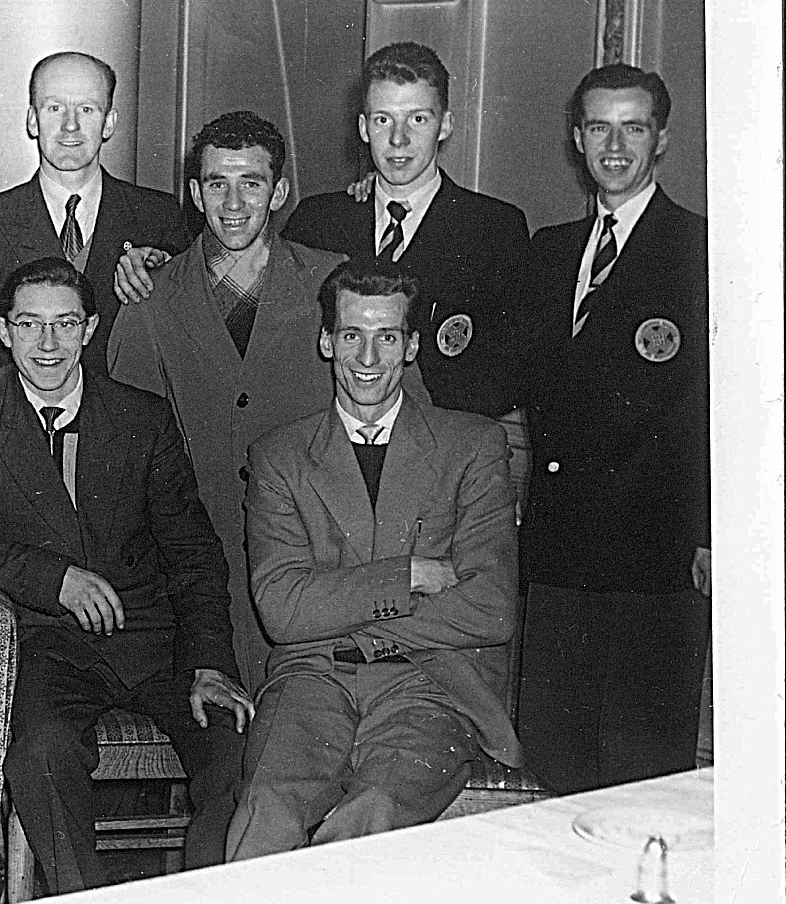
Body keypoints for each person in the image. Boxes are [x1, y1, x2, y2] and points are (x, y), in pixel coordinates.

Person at [0, 258, 249, 889]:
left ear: (91, 328)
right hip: (49, 642)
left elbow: (193, 549)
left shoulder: (144, 417)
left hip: (154, 642)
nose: (48, 343)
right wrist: (59, 580)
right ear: (3, 331)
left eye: (65, 324)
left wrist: (210, 661)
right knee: (42, 752)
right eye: (30, 325)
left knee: (232, 745)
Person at [225, 262, 522, 860]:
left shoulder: (472, 445)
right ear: (326, 341)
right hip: (311, 677)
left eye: (386, 337)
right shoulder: (280, 457)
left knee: (370, 817)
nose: (367, 356)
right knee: (267, 809)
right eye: (352, 335)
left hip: (430, 682)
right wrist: (405, 577)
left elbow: (490, 609)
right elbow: (282, 612)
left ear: (411, 346)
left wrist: (331, 603)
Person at [106, 111, 354, 692]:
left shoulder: (333, 287)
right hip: (196, 578)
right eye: (218, 182)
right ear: (194, 192)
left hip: (310, 563)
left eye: (253, 182)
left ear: (281, 192)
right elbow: (123, 454)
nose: (235, 201)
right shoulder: (151, 298)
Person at [515, 64, 710, 794]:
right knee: (555, 756)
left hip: (655, 557)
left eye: (634, 128)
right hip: (562, 552)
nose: (616, 145)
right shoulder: (551, 249)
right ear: (577, 139)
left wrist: (712, 532)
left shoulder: (700, 249)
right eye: (600, 127)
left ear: (661, 140)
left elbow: (728, 408)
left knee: (640, 771)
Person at [273, 42, 533, 486]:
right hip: (333, 468)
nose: (398, 140)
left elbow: (506, 375)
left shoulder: (494, 228)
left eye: (418, 119)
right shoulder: (318, 221)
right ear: (362, 127)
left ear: (445, 125)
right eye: (383, 120)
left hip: (444, 470)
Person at [0, 50, 184, 390]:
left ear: (109, 122)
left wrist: (164, 268)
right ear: (32, 120)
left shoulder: (157, 217)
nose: (70, 125)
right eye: (54, 108)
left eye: (86, 109)